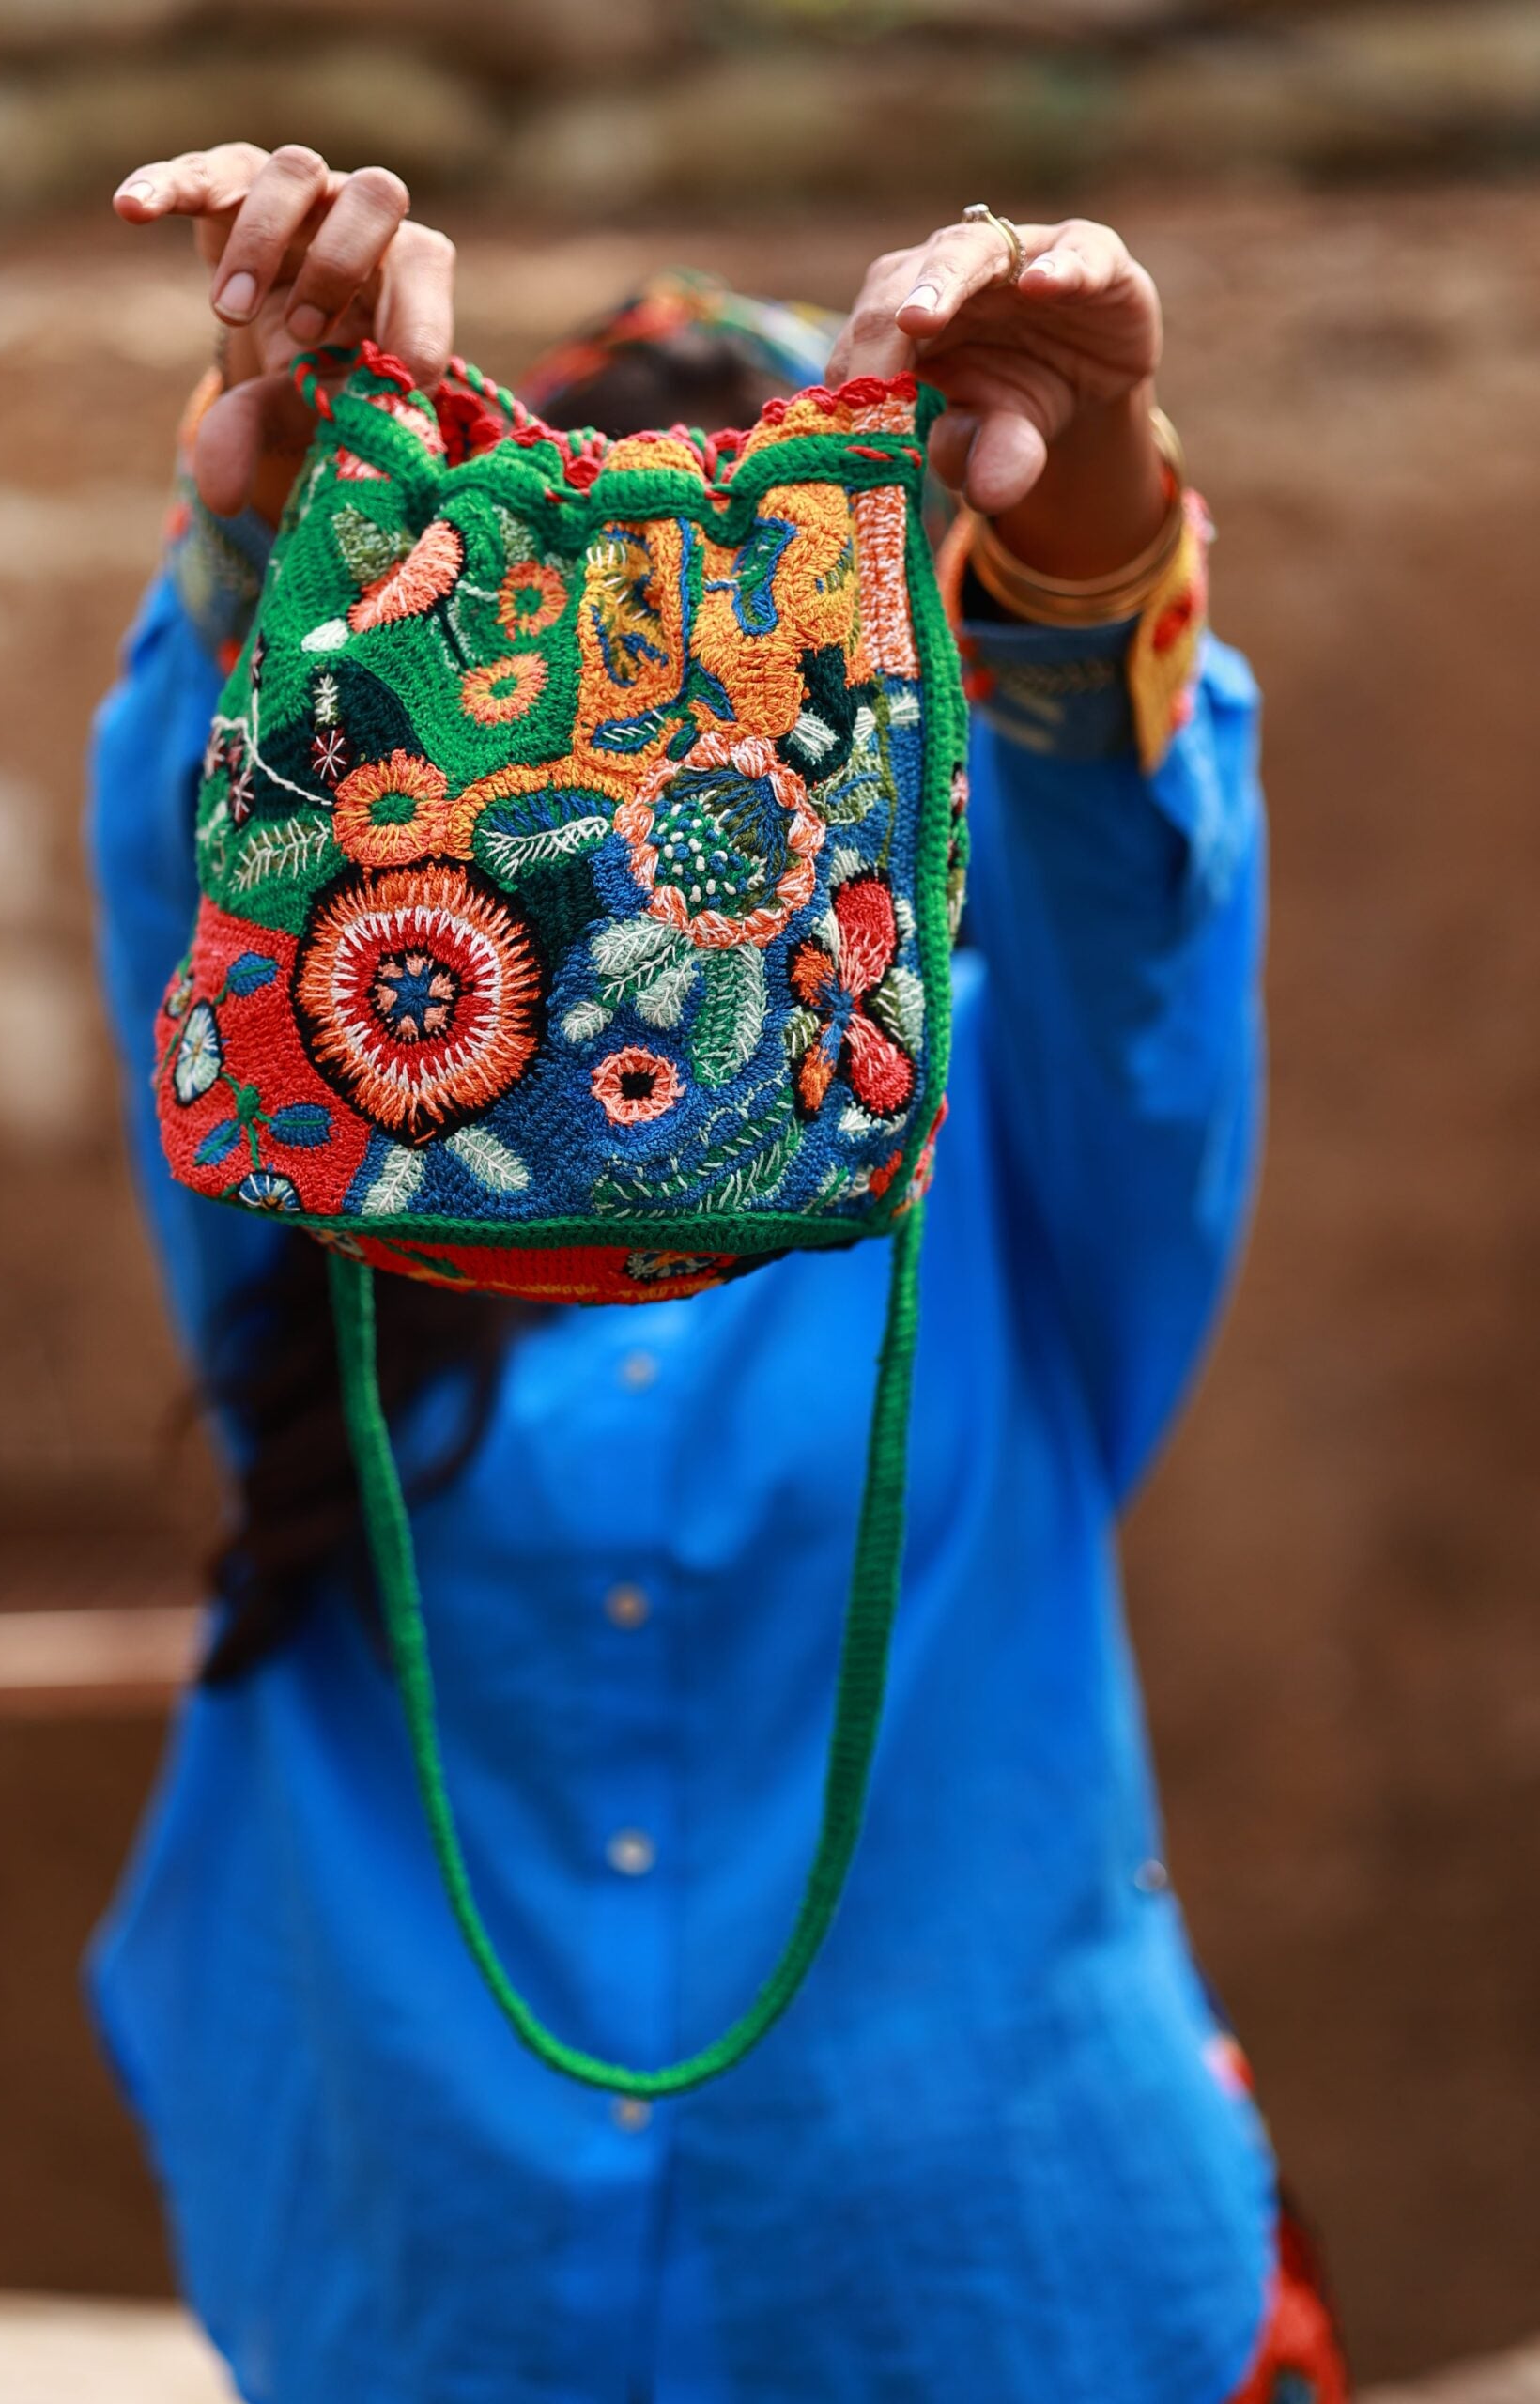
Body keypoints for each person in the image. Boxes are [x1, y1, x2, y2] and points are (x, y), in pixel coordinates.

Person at [88, 143, 1347, 2404]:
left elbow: (1134, 890)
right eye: (567, 683)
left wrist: (1079, 528)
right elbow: (207, 835)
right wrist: (286, 535)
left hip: (999, 2297)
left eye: (757, 692)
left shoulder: (1005, 1131)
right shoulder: (327, 1107)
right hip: (420, 2283)